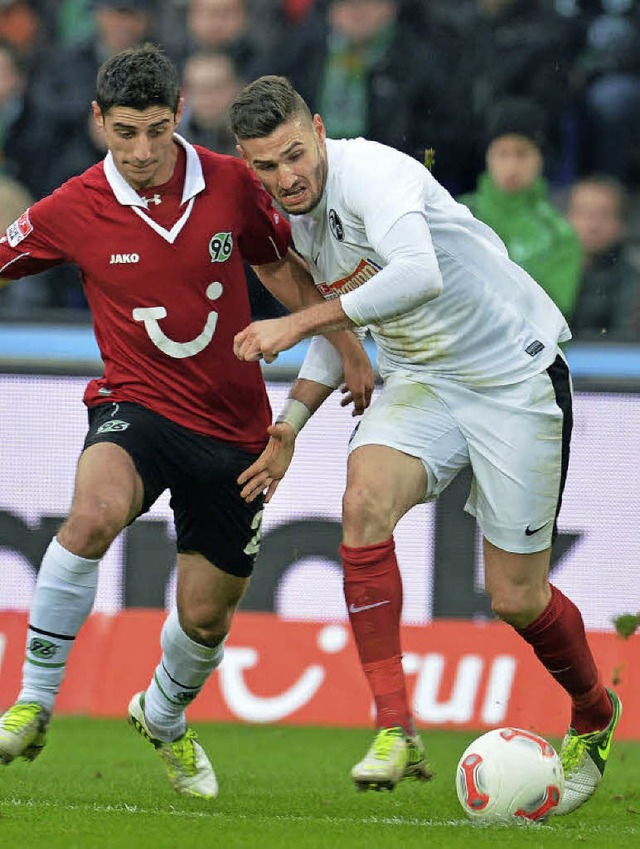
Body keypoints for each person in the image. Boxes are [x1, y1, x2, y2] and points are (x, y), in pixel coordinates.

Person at [228, 75, 622, 813]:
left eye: (294, 155)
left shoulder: (376, 173)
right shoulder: (296, 216)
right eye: (267, 167)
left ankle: (597, 712)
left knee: (516, 596)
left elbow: (417, 274)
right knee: (363, 500)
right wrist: (289, 426)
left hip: (514, 376)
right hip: (422, 376)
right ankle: (395, 725)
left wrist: (298, 321)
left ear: (317, 129)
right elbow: (342, 322)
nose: (288, 177)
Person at [0, 45, 374, 798]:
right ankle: (32, 702)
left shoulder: (233, 183)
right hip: (133, 404)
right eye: (124, 132)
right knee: (92, 512)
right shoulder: (72, 207)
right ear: (98, 120)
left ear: (179, 116)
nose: (141, 152)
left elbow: (279, 269)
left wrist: (345, 344)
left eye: (156, 131)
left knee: (206, 619)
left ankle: (163, 713)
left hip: (234, 429)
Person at [458, 96, 583, 322]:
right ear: (488, 157)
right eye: (502, 153)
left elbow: (553, 315)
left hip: (529, 354)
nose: (511, 166)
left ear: (541, 158)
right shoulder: (456, 215)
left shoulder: (559, 234)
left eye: (522, 153)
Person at [566, 174, 640, 342]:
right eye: (583, 213)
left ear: (622, 224)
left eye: (604, 215)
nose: (592, 225)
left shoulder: (633, 278)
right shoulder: (542, 269)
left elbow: (627, 344)